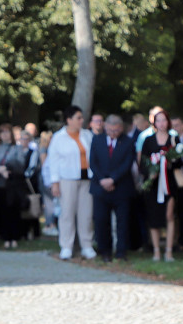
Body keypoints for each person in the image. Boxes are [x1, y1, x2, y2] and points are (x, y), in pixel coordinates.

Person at [46, 105, 96, 260]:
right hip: (67, 179)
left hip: (86, 178)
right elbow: (52, 161)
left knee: (86, 213)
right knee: (67, 213)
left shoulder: (87, 135)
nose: (81, 120)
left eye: (82, 118)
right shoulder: (59, 137)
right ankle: (66, 246)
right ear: (69, 120)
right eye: (78, 118)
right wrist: (55, 182)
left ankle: (86, 245)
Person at [88, 114, 134, 262]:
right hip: (100, 187)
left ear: (121, 129)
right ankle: (104, 251)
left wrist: (113, 179)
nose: (112, 133)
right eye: (110, 130)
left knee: (123, 221)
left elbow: (127, 164)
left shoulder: (127, 142)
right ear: (105, 127)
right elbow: (93, 162)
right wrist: (103, 180)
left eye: (115, 130)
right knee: (101, 220)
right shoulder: (97, 139)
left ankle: (121, 252)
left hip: (121, 187)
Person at [139, 110, 183, 261]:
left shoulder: (174, 138)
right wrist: (151, 172)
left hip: (169, 183)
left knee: (169, 215)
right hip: (153, 184)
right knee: (153, 217)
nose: (162, 123)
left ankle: (169, 251)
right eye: (158, 120)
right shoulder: (148, 140)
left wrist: (170, 162)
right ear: (154, 123)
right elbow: (142, 163)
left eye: (164, 120)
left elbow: (180, 160)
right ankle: (156, 250)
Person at [0, 123, 28, 249]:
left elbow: (21, 165)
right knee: (3, 211)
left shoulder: (17, 148)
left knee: (14, 211)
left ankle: (15, 237)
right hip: (1, 185)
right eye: (2, 132)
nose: (5, 134)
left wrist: (8, 169)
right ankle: (5, 237)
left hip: (14, 184)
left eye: (7, 132)